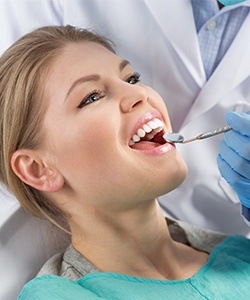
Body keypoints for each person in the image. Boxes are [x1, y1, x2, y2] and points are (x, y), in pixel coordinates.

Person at [0, 24, 250, 300]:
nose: (139, 94)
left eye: (131, 79)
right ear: (38, 169)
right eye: (91, 97)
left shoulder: (238, 255)